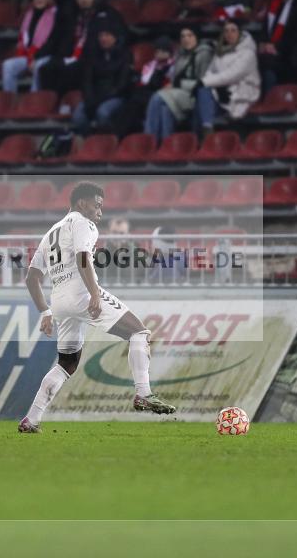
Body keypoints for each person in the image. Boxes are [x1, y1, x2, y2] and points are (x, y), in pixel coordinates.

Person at [19, 181, 176, 433]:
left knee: (66, 364)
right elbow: (83, 258)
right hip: (81, 293)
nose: (100, 212)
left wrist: (45, 311)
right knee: (139, 333)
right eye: (97, 205)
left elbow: (31, 277)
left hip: (59, 301)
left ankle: (31, 419)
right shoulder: (83, 223)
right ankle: (143, 394)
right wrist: (94, 293)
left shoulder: (51, 232)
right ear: (82, 203)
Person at [39, 0, 127, 102]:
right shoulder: (71, 13)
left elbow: (119, 39)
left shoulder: (108, 15)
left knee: (68, 72)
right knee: (46, 68)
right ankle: (48, 105)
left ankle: (62, 104)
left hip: (92, 59)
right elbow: (57, 38)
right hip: (70, 56)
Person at [144, 26, 214, 142]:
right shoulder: (180, 54)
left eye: (190, 35)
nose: (186, 39)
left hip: (195, 95)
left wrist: (177, 84)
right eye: (183, 36)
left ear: (196, 37)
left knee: (157, 97)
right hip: (180, 93)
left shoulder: (205, 54)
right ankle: (166, 144)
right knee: (164, 107)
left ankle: (148, 139)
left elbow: (204, 83)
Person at [193, 19, 260, 137]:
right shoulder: (220, 52)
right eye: (226, 31)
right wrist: (210, 84)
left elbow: (234, 74)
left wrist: (209, 83)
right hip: (222, 92)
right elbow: (210, 72)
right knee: (201, 94)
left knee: (204, 87)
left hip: (243, 91)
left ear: (239, 33)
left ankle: (207, 136)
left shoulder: (248, 53)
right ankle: (206, 132)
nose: (229, 34)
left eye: (233, 31)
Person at [71, 22, 132, 135]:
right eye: (101, 35)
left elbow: (122, 83)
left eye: (107, 35)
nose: (103, 38)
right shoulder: (93, 55)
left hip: (115, 96)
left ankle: (109, 140)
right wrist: (89, 97)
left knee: (103, 113)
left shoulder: (125, 55)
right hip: (95, 95)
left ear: (115, 37)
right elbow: (87, 80)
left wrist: (102, 98)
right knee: (78, 117)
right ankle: (89, 141)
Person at [111, 36, 175, 137]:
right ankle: (119, 136)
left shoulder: (172, 66)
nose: (158, 53)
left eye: (162, 50)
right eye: (157, 50)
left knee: (134, 102)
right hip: (145, 94)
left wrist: (160, 70)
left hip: (160, 95)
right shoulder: (150, 65)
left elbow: (160, 84)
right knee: (131, 102)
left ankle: (118, 135)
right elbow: (143, 82)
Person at [1, 0, 58, 93]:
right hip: (29, 54)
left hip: (46, 55)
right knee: (7, 65)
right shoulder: (29, 14)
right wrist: (28, 56)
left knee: (38, 66)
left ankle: (34, 99)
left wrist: (35, 57)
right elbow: (23, 38)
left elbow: (53, 42)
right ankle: (10, 100)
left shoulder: (55, 15)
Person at [257, 0, 297, 93]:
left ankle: (270, 97)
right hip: (271, 49)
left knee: (267, 62)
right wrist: (263, 43)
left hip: (289, 52)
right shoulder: (274, 2)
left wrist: (275, 46)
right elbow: (265, 27)